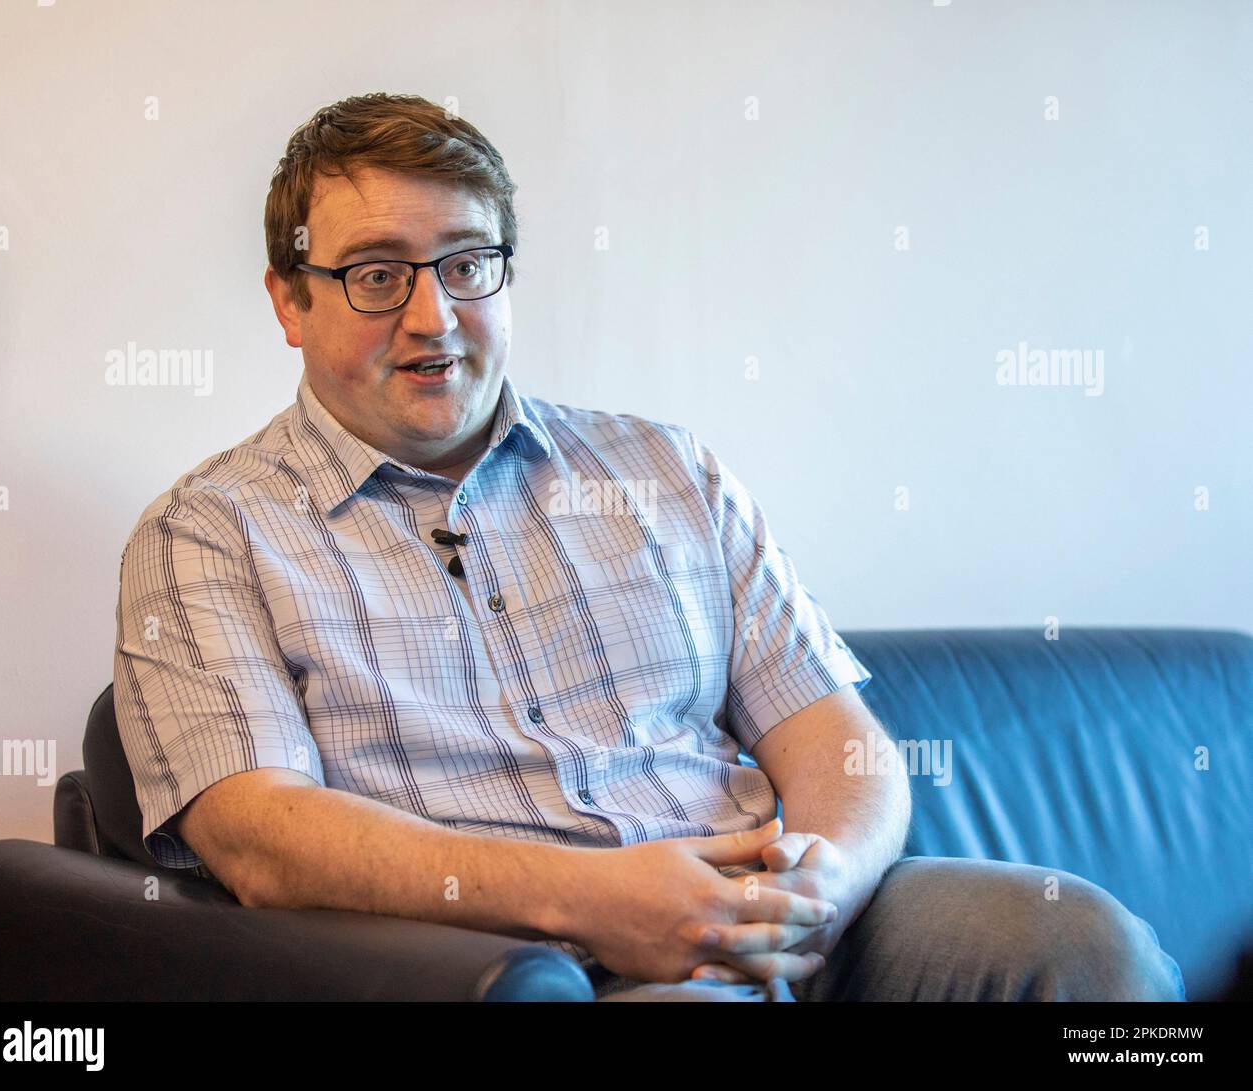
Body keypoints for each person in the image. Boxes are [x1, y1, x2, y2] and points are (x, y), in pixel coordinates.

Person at [112, 92, 1184, 1002]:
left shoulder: (663, 469)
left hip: (787, 914)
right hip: (530, 959)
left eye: (467, 264)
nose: (435, 315)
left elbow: (837, 743)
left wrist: (822, 888)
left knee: (1085, 944)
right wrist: (591, 898)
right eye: (378, 273)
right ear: (289, 301)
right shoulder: (206, 533)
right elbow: (261, 837)